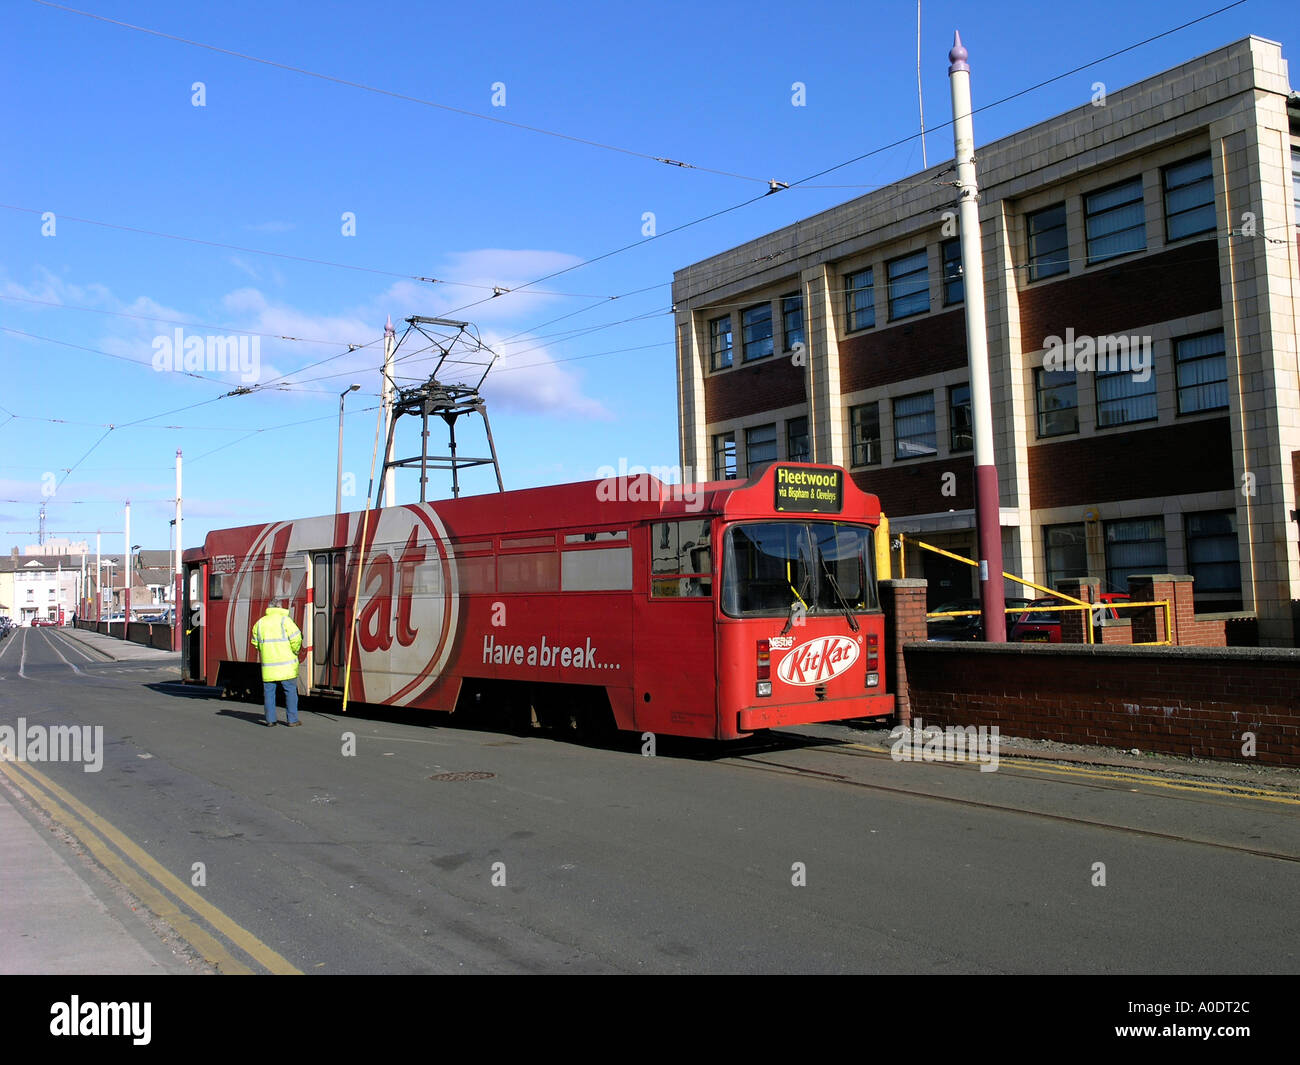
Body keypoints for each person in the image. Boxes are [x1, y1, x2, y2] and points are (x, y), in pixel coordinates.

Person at [251, 599, 304, 727]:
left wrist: (265, 652)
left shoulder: (260, 623)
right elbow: (296, 638)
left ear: (269, 608)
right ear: (280, 607)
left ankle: (270, 720)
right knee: (290, 691)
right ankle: (292, 720)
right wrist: (295, 651)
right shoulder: (285, 621)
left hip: (269, 666)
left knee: (269, 693)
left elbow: (255, 643)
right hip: (287, 666)